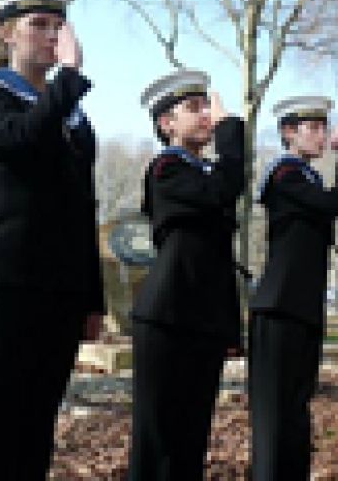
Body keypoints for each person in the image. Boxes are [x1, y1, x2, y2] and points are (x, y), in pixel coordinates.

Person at [0, 0, 105, 481]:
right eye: (39, 25)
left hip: (58, 295)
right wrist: (69, 79)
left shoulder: (75, 121)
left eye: (59, 26)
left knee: (34, 439)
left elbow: (83, 210)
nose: (53, 36)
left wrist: (93, 299)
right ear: (5, 33)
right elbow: (18, 140)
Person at [128, 69, 244, 481]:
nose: (206, 115)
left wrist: (230, 327)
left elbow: (218, 254)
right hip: (167, 316)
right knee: (157, 437)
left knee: (191, 438)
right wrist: (230, 132)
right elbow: (223, 190)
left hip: (203, 319)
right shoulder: (166, 168)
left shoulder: (208, 171)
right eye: (194, 108)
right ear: (167, 124)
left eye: (207, 107)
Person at [249, 96, 338, 481]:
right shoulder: (285, 175)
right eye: (312, 128)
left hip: (300, 308)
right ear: (288, 133)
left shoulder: (305, 177)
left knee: (296, 414)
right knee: (275, 418)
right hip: (279, 309)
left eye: (323, 128)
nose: (321, 135)